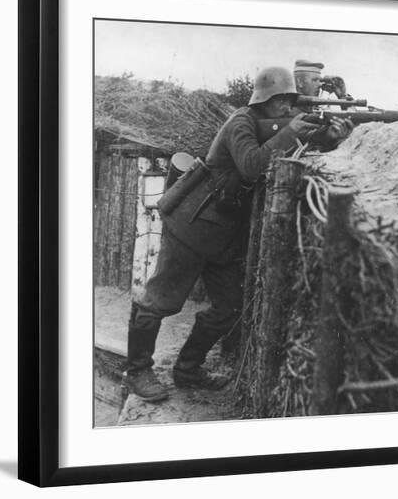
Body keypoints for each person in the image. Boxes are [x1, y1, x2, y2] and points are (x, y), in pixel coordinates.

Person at [122, 66, 352, 402]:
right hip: (191, 225)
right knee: (160, 302)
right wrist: (291, 133)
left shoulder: (274, 124)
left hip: (223, 235)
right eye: (280, 100)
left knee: (230, 306)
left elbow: (287, 151)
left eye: (290, 100)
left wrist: (328, 137)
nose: (286, 107)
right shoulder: (240, 122)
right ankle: (138, 371)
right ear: (263, 99)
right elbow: (251, 164)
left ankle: (188, 369)